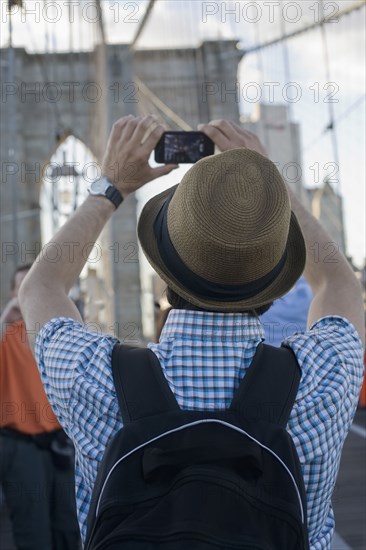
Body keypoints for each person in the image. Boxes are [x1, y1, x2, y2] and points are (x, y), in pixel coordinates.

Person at [19, 116, 364, 549]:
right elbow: (339, 285)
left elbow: (40, 287)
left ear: (164, 275)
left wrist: (112, 185)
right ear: (274, 280)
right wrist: (270, 192)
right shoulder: (324, 378)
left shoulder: (95, 378)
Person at [0, 264, 81, 550]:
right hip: (20, 445)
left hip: (60, 442)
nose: (27, 296)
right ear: (12, 293)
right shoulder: (6, 334)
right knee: (33, 532)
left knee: (70, 528)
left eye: (33, 288)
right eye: (22, 289)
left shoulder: (54, 335)